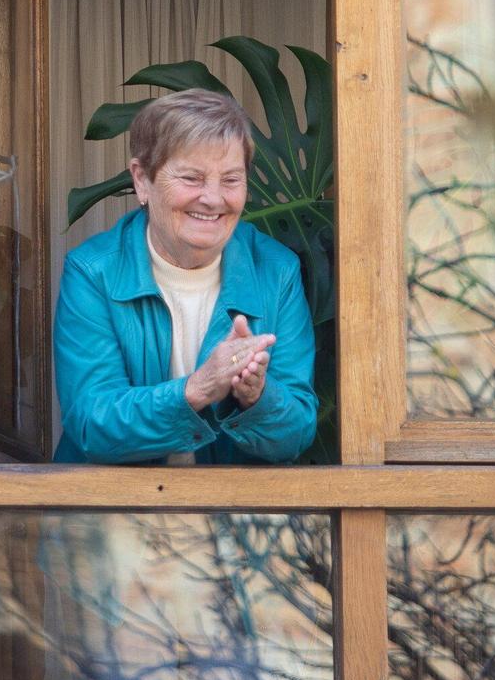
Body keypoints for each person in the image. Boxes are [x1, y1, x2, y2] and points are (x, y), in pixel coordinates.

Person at [53, 88, 317, 464]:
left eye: (230, 180)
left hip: (237, 516)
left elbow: (298, 433)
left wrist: (256, 396)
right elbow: (92, 424)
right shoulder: (93, 271)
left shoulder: (277, 271)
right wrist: (197, 389)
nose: (213, 198)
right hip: (113, 510)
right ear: (142, 180)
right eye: (192, 178)